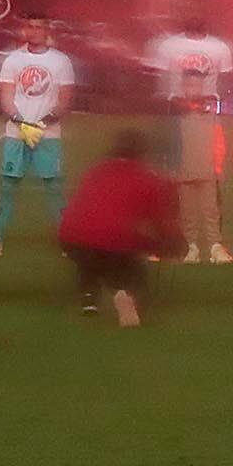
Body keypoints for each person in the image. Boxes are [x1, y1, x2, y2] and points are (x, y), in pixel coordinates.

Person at [57, 128, 183, 325]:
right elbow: (161, 222)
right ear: (142, 152)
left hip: (71, 236)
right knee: (129, 265)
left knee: (88, 260)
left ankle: (89, 297)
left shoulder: (96, 170)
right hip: (114, 239)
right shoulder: (147, 178)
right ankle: (127, 293)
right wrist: (174, 243)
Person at [0, 15, 75, 258]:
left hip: (48, 136)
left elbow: (65, 101)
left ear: (47, 30)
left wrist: (41, 124)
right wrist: (22, 124)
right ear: (24, 30)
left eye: (39, 27)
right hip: (16, 135)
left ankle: (68, 244)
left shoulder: (61, 61)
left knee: (53, 188)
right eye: (30, 26)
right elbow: (6, 97)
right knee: (7, 187)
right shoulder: (13, 60)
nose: (34, 31)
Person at [145, 8, 233, 263]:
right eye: (188, 85)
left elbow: (219, 144)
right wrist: (171, 167)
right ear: (182, 86)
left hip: (207, 170)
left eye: (197, 84)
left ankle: (215, 245)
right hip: (184, 170)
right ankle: (190, 246)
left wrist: (218, 167)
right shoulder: (176, 117)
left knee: (210, 208)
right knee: (186, 210)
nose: (192, 88)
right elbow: (171, 144)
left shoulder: (210, 116)